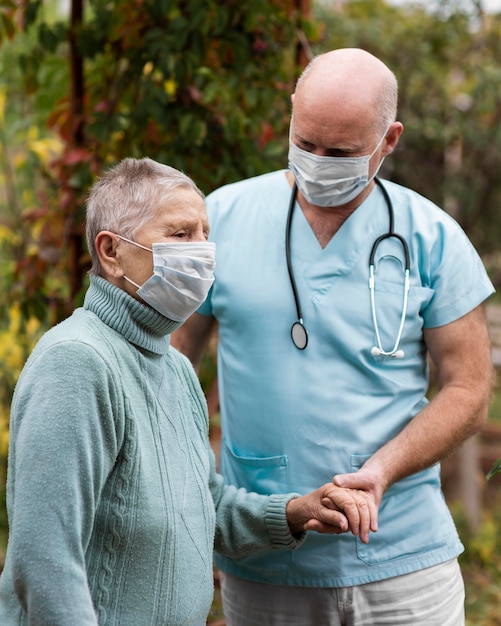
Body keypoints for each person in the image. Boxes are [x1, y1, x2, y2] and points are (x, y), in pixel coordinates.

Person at [171, 48, 495, 625]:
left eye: (341, 152)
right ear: (292, 112)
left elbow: (468, 389)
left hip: (402, 560)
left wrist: (383, 471)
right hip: (264, 555)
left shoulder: (431, 237)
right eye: (306, 144)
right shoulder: (220, 218)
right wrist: (193, 486)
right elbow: (168, 362)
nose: (317, 163)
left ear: (388, 140)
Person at [0, 157, 376, 626]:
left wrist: (297, 511)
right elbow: (44, 561)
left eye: (204, 234)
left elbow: (203, 505)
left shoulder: (174, 367)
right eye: (180, 235)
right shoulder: (77, 362)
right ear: (111, 251)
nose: (201, 251)